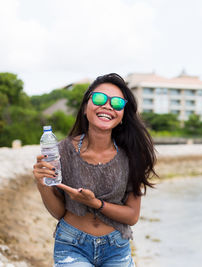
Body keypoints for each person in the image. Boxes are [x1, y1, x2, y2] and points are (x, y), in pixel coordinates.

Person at [33, 73, 157, 266]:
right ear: (85, 107)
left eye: (117, 103)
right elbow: (59, 212)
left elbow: (132, 216)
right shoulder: (62, 151)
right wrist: (42, 185)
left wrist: (95, 203)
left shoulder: (133, 155)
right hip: (72, 244)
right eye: (99, 98)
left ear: (123, 114)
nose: (107, 106)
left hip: (116, 248)